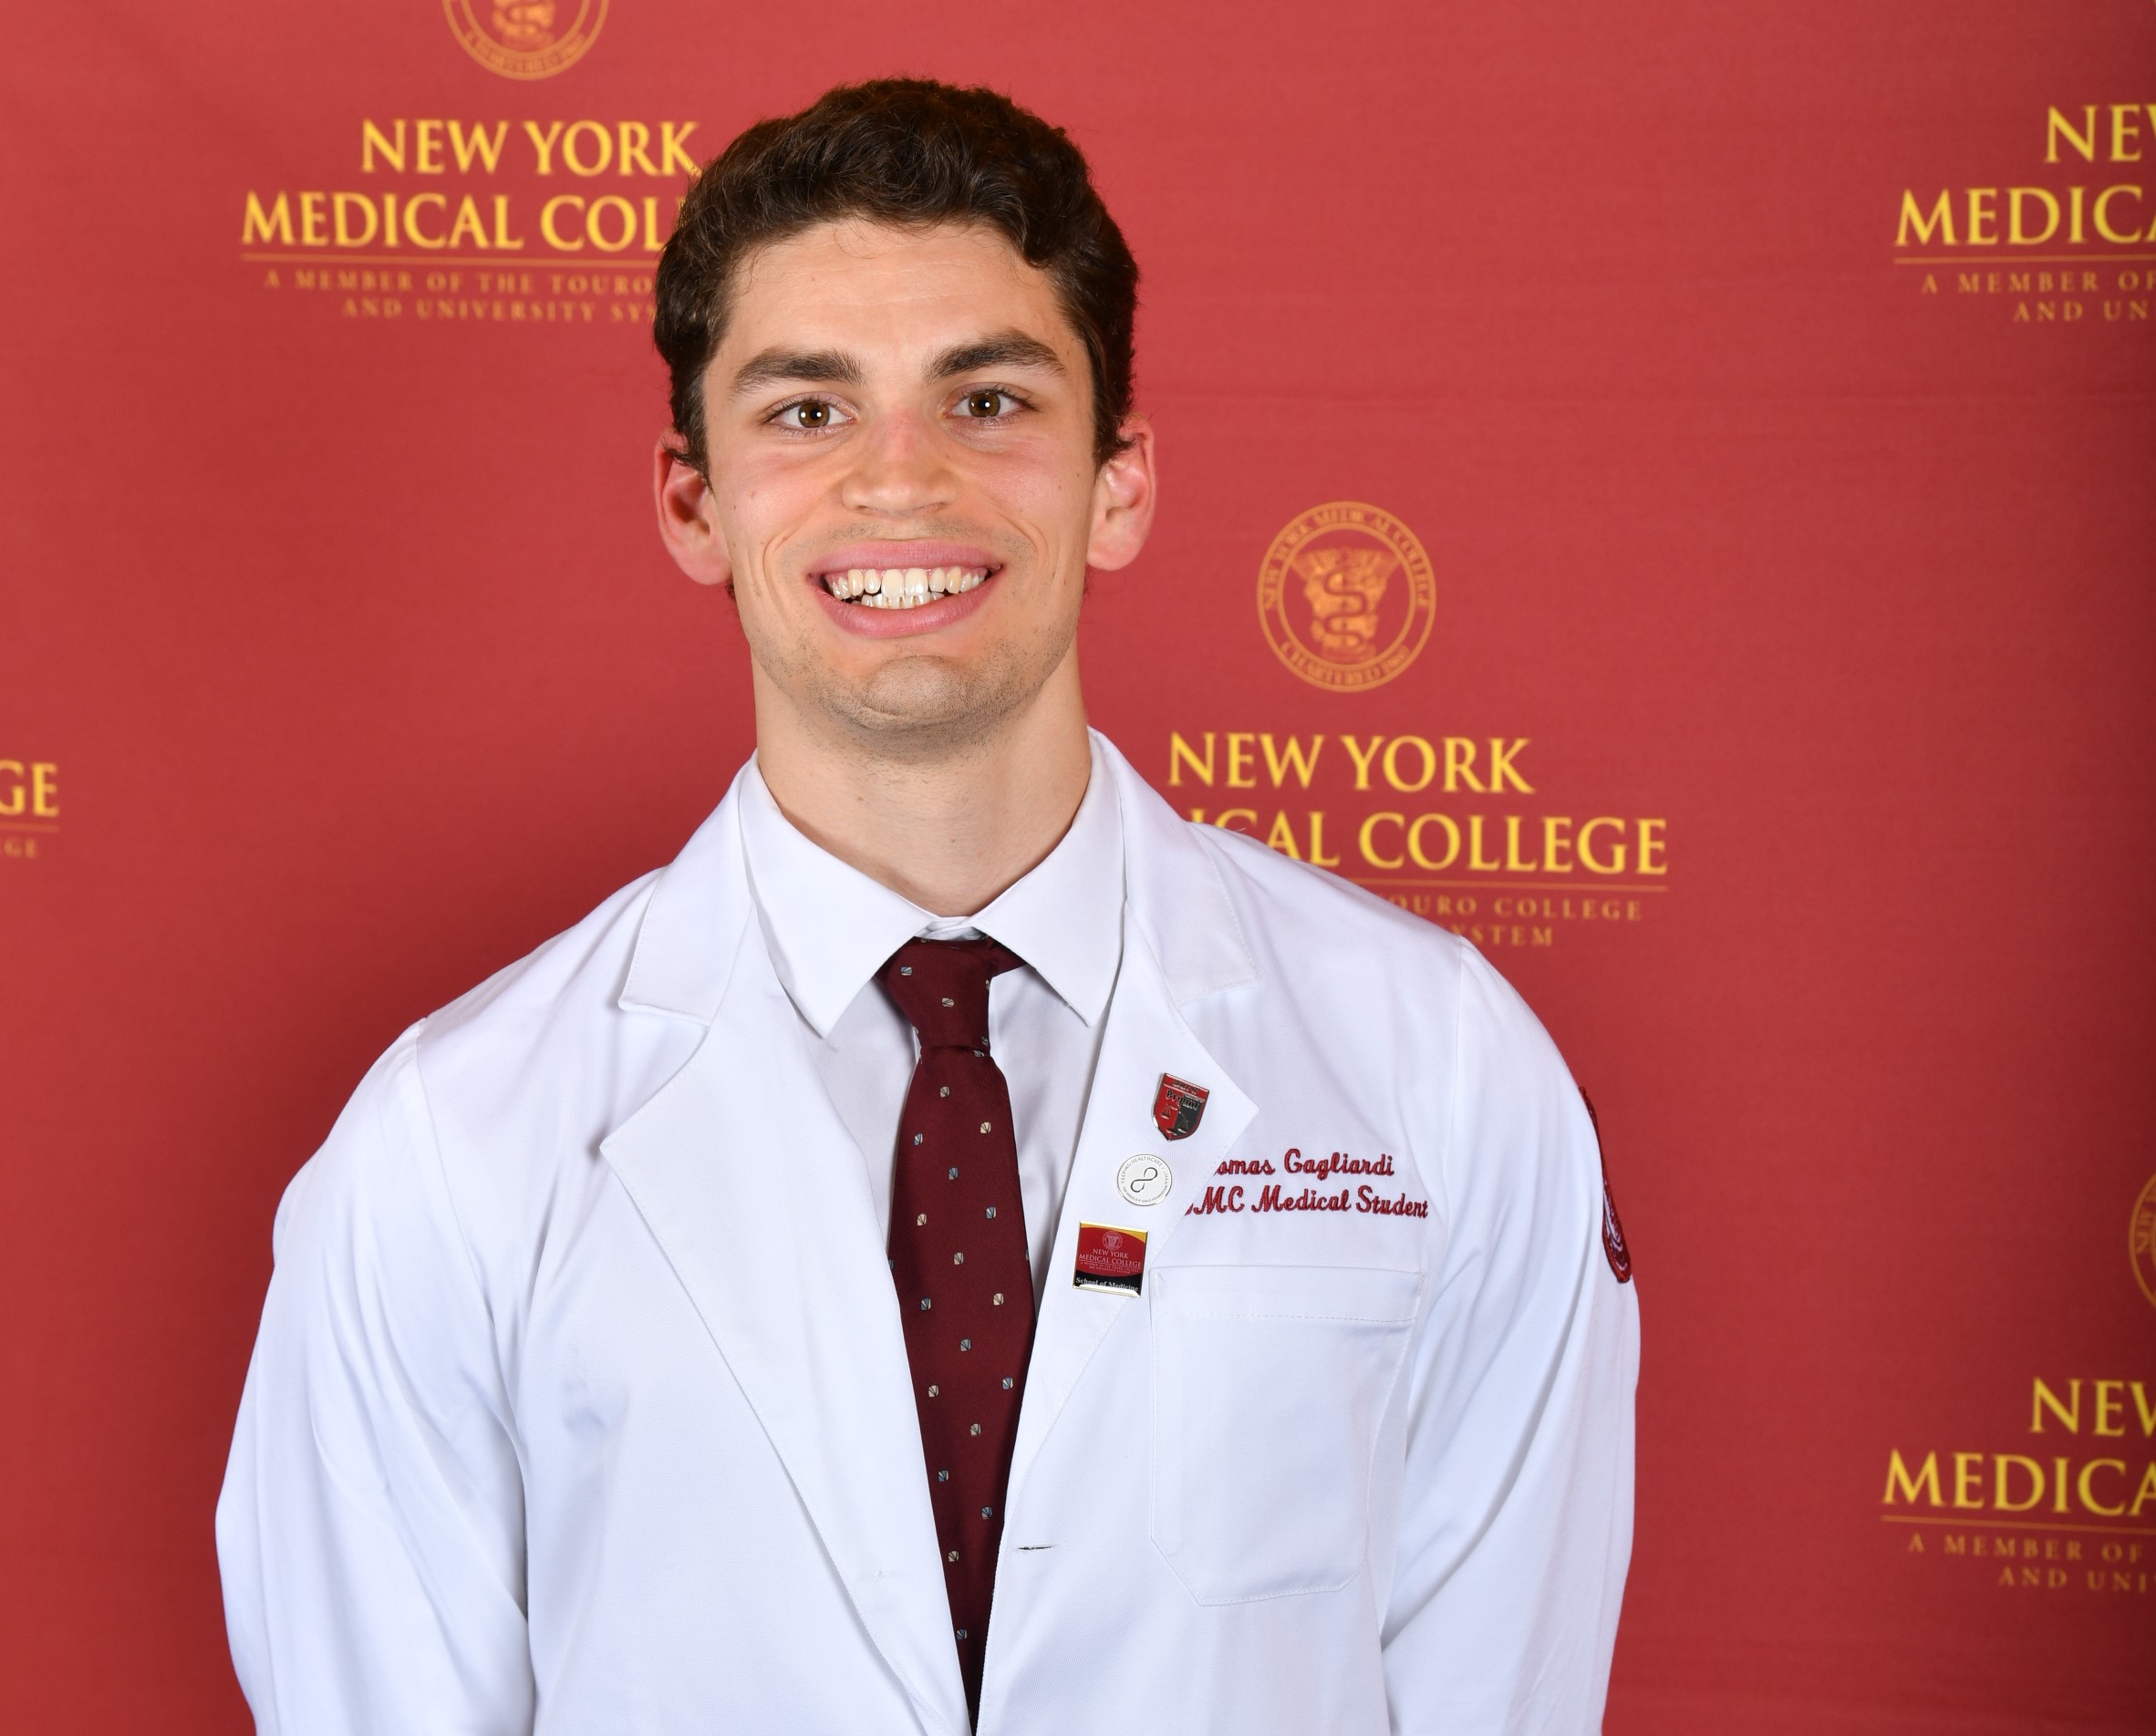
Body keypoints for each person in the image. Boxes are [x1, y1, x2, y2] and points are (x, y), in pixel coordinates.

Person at [216, 78, 1637, 1735]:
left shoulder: (1439, 1068)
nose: (900, 483)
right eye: (807, 412)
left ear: (1120, 482)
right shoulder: (449, 1149)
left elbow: (1506, 1693)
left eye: (988, 400)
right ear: (695, 502)